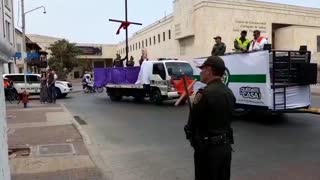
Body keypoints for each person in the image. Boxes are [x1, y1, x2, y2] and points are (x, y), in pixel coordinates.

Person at [184, 56, 235, 180]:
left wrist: (192, 138)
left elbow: (192, 124)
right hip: (225, 148)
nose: (200, 72)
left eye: (202, 69)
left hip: (207, 151)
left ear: (209, 70)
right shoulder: (229, 92)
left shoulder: (204, 94)